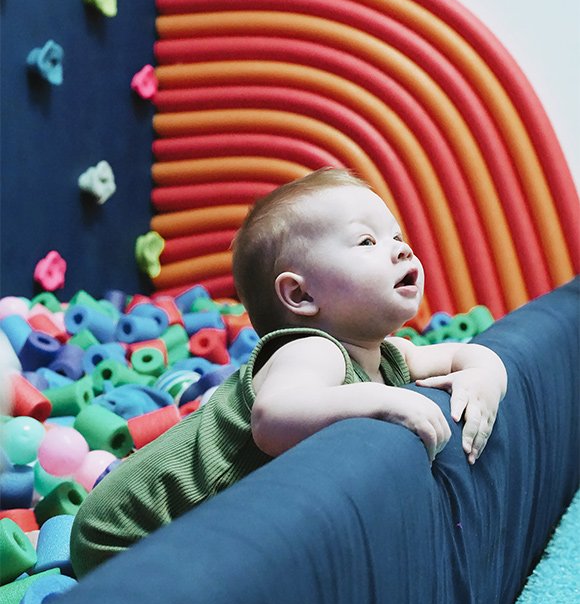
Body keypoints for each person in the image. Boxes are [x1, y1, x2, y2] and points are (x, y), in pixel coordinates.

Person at [70, 168, 507, 577]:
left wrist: (484, 378)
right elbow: (273, 419)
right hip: (126, 533)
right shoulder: (313, 350)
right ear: (299, 294)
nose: (402, 248)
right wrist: (389, 401)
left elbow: (467, 355)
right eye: (367, 242)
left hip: (188, 534)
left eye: (396, 235)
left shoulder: (387, 353)